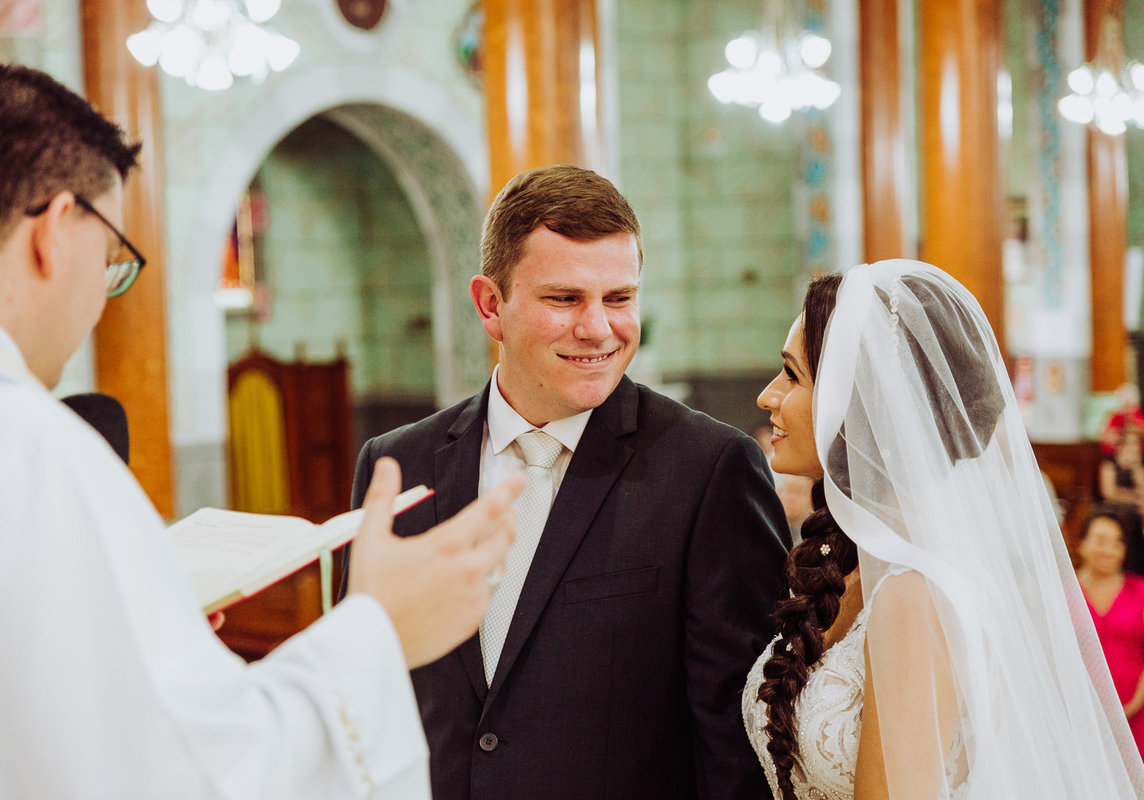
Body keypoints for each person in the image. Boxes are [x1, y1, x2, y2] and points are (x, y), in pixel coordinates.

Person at [0, 63, 523, 799]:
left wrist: (148, 621)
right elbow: (191, 777)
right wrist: (380, 629)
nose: (101, 298)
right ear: (56, 232)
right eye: (111, 258)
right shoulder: (21, 444)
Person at [342, 164, 791, 798]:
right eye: (565, 299)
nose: (599, 328)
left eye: (619, 298)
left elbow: (737, 736)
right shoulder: (396, 466)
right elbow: (365, 691)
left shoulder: (709, 469)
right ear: (491, 305)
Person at [743, 259, 1144, 799]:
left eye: (792, 374)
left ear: (861, 401)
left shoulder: (917, 593)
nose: (768, 395)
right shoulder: (850, 562)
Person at [1079, 507, 1144, 757]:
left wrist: (1129, 708)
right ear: (1082, 544)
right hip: (1079, 715)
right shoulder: (1064, 592)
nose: (1109, 550)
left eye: (1117, 543)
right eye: (1101, 541)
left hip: (1136, 716)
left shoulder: (1140, 591)